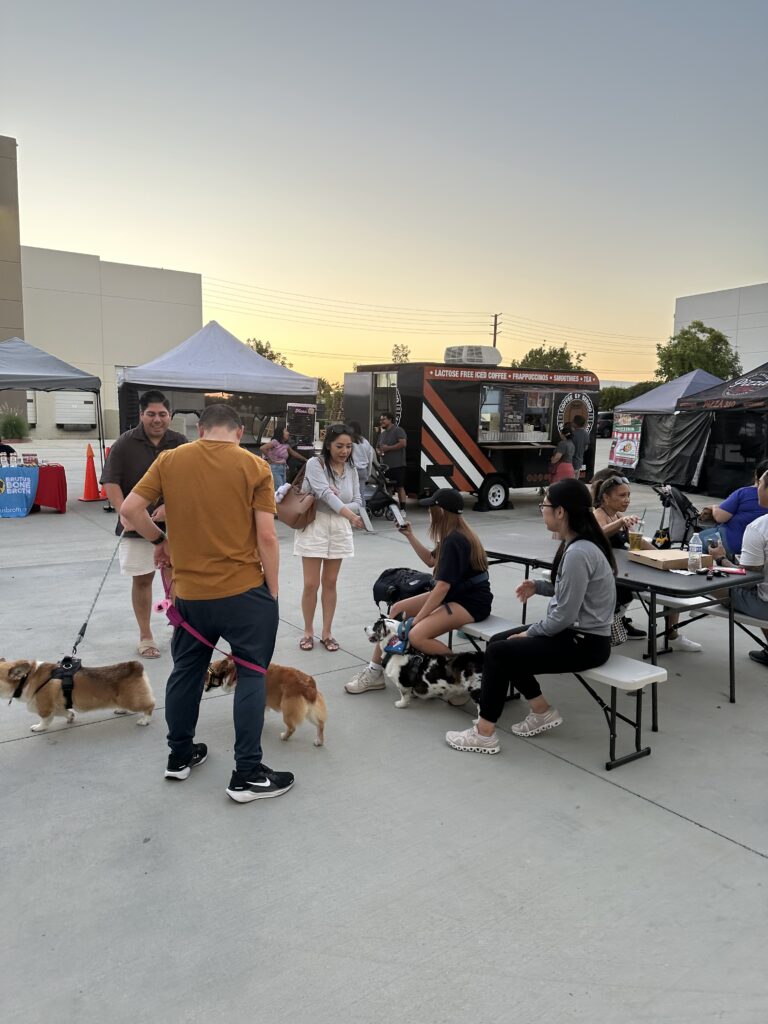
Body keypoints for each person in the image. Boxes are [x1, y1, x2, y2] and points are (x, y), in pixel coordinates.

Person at [119, 403, 294, 803]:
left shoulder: (170, 459)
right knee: (251, 674)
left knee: (187, 670)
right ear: (238, 431)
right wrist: (274, 588)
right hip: (244, 592)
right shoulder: (254, 466)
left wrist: (160, 542)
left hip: (191, 595)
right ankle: (247, 774)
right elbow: (267, 536)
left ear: (200, 430)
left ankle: (179, 756)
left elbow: (130, 510)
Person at [445, 479, 615, 754]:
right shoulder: (579, 545)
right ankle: (541, 710)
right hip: (575, 634)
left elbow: (565, 614)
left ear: (561, 512)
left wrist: (531, 632)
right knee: (501, 642)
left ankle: (484, 733)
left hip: (586, 643)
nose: (542, 510)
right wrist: (539, 586)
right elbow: (572, 591)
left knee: (502, 651)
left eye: (544, 505)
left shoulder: (579, 552)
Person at [346, 488, 493, 694]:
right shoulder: (452, 534)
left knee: (417, 635)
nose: (429, 512)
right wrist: (410, 536)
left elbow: (442, 588)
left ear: (441, 511)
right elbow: (430, 560)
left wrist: (418, 619)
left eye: (431, 508)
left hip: (471, 603)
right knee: (396, 609)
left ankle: (463, 681)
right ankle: (376, 671)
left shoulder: (455, 540)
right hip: (455, 596)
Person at [101, 389, 187, 659]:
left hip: (176, 526)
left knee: (180, 580)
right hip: (136, 527)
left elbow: (191, 482)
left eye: (162, 414)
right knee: (142, 580)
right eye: (151, 414)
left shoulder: (181, 443)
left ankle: (180, 628)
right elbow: (111, 481)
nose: (157, 419)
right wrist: (123, 512)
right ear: (141, 415)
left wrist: (169, 506)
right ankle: (145, 635)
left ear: (170, 415)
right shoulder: (125, 443)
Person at [593, 473, 701, 651]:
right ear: (605, 497)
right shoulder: (599, 515)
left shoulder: (618, 515)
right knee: (663, 586)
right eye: (622, 495)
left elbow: (637, 542)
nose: (627, 500)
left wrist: (665, 558)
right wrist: (620, 523)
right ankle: (668, 632)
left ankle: (672, 633)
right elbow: (597, 535)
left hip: (624, 569)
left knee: (670, 578)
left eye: (628, 495)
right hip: (609, 574)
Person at [295, 423, 364, 652]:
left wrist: (341, 507)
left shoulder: (352, 470)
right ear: (328, 445)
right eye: (339, 446)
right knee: (310, 583)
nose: (344, 451)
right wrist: (350, 514)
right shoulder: (315, 464)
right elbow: (324, 493)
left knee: (331, 582)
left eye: (348, 446)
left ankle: (327, 632)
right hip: (315, 525)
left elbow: (358, 502)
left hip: (339, 527)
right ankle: (308, 631)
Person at [709, 468, 768, 667]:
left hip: (765, 605)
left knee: (709, 582)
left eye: (759, 484)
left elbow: (748, 579)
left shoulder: (759, 527)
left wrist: (721, 559)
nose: (756, 488)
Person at [699, 460, 768, 558]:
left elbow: (720, 517)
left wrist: (714, 507)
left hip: (735, 543)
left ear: (758, 478)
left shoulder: (744, 493)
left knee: (699, 539)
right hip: (757, 549)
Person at [261, 421, 307, 490]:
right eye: (286, 431)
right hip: (275, 468)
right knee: (279, 489)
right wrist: (270, 458)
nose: (288, 433)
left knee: (283, 489)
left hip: (283, 469)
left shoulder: (286, 446)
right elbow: (262, 448)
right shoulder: (275, 442)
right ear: (281, 433)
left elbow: (294, 453)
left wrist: (305, 459)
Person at [377, 411, 407, 509]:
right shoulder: (382, 434)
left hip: (398, 465)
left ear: (390, 420)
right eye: (380, 419)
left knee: (400, 487)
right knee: (388, 487)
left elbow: (403, 443)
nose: (381, 421)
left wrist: (388, 448)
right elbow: (377, 447)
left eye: (383, 419)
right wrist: (379, 452)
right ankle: (391, 507)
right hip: (385, 466)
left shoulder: (398, 430)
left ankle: (402, 509)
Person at [348, 420, 376, 501]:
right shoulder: (365, 442)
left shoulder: (349, 442)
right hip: (363, 471)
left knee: (351, 494)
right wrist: (368, 473)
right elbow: (370, 458)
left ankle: (351, 511)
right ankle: (362, 512)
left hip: (352, 470)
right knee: (361, 494)